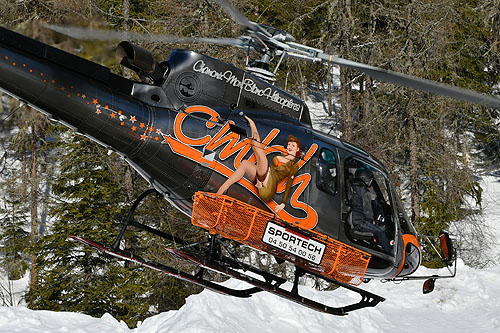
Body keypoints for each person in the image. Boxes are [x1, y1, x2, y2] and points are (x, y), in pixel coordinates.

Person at [216, 116, 300, 213]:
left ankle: (252, 123)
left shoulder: (294, 166)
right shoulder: (282, 155)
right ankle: (220, 192)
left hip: (269, 186)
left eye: (293, 145)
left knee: (257, 148)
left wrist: (283, 203)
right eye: (289, 144)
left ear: (297, 149)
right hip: (265, 176)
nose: (290, 147)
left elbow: (289, 184)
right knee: (245, 163)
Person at [350, 168, 392, 254]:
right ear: (365, 178)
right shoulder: (364, 191)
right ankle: (389, 252)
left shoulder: (352, 187)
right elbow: (367, 210)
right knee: (380, 231)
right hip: (359, 222)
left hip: (353, 219)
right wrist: (372, 221)